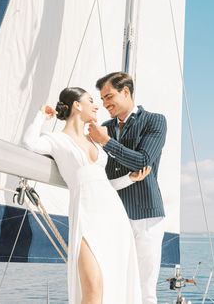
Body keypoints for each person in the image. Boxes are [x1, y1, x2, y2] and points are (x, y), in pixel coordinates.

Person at [23, 87, 151, 304]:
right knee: (92, 287)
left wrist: (130, 178)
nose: (97, 105)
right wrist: (41, 116)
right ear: (77, 105)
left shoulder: (94, 141)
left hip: (114, 216)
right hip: (85, 214)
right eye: (91, 100)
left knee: (115, 282)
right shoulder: (57, 140)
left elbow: (103, 184)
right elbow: (29, 143)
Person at [88, 72, 167, 304]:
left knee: (146, 292)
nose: (104, 104)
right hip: (113, 215)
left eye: (108, 96)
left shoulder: (155, 120)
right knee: (114, 284)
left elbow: (143, 161)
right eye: (101, 99)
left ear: (126, 92)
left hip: (147, 216)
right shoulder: (104, 127)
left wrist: (106, 142)